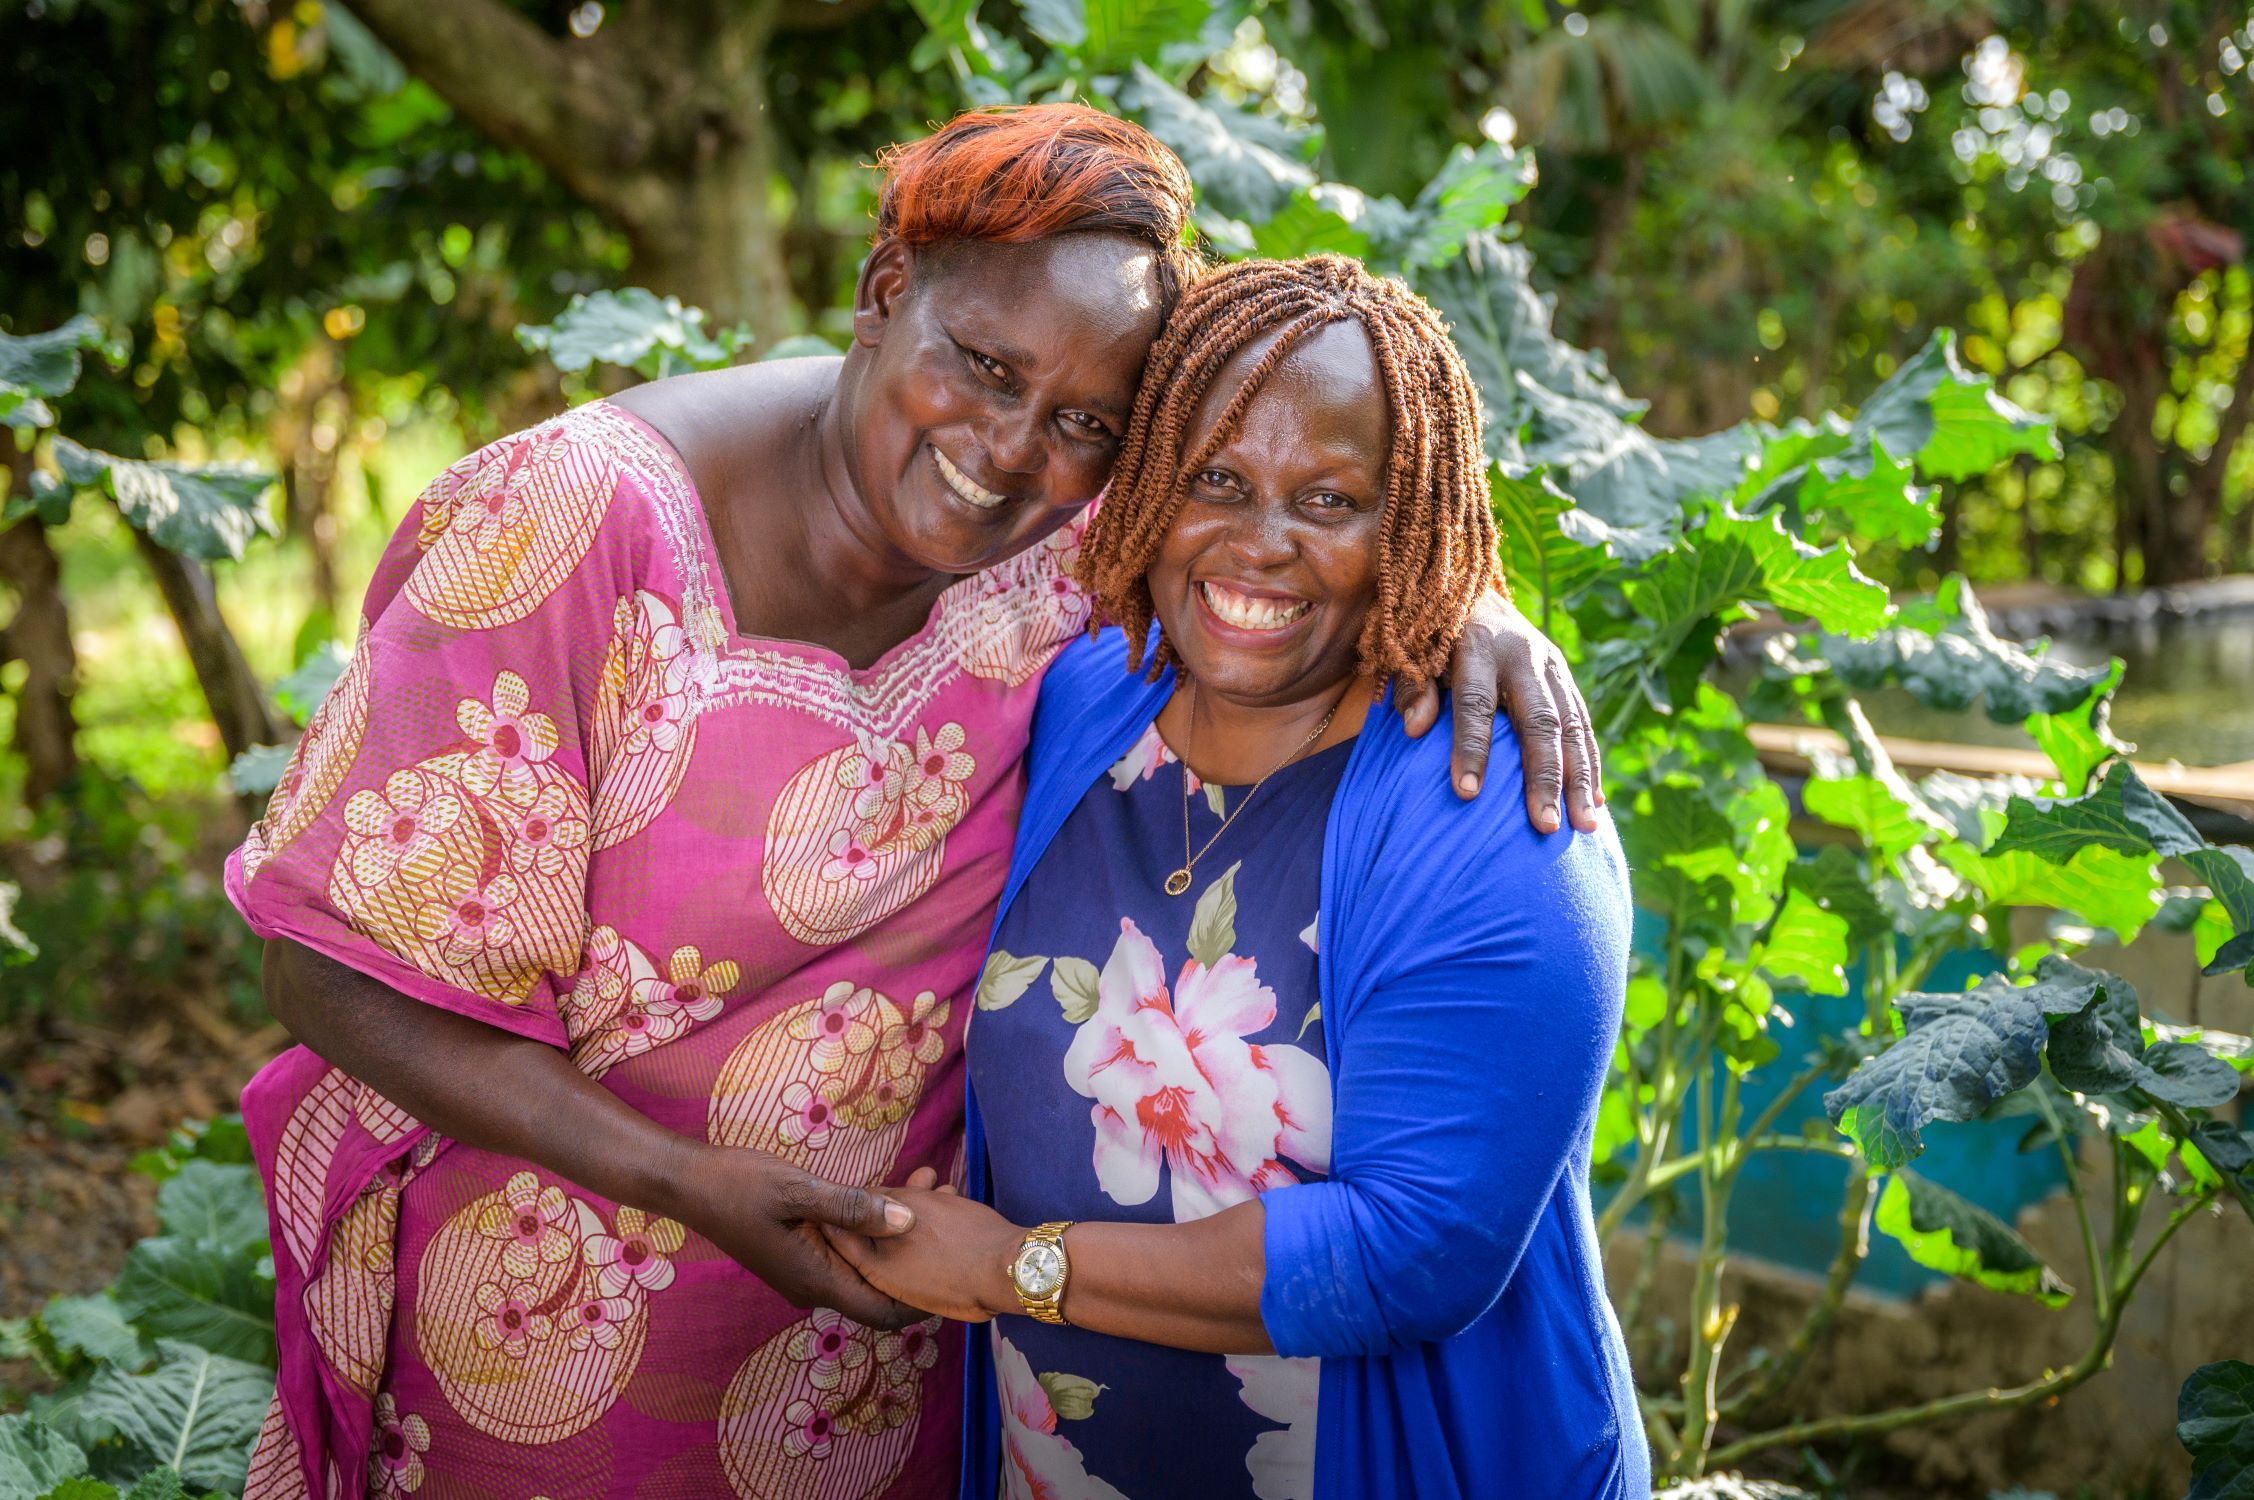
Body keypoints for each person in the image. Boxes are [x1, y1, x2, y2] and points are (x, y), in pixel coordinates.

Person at [230, 107, 1602, 1499]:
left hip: (896, 1385)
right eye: (982, 368)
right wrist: (681, 1179)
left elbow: (1296, 449)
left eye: (1080, 422)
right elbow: (330, 975)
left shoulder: (1069, 546)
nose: (1010, 450)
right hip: (545, 1354)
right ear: (885, 292)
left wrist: (1464, 598)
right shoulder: (575, 525)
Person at [825, 256, 1644, 1500]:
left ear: (1408, 520)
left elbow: (1412, 1252)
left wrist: (1008, 1270)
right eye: (1216, 481)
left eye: (1330, 500)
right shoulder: (1084, 698)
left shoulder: (1499, 817)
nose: (1259, 545)